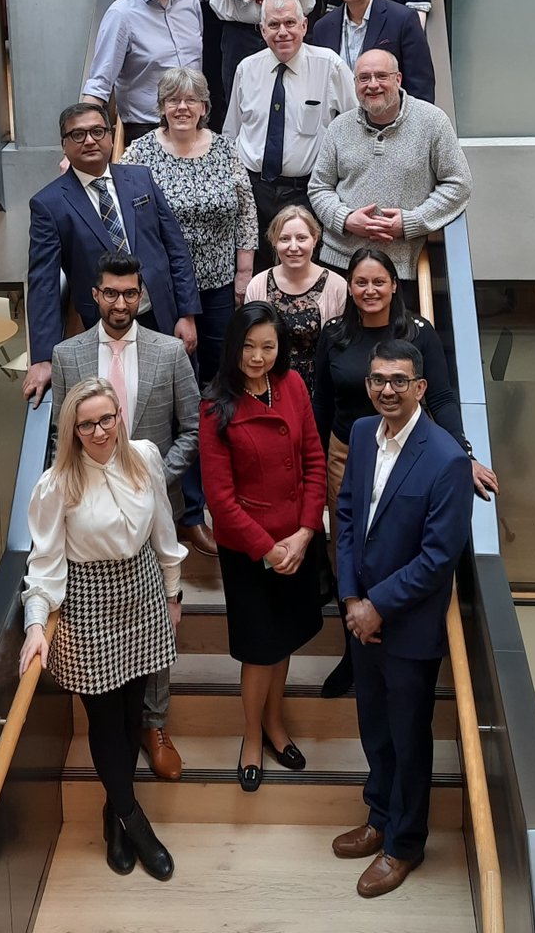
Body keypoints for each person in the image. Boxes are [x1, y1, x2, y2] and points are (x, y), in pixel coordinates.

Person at [19, 378, 187, 881]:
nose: (98, 431)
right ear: (72, 427)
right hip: (89, 602)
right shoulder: (56, 483)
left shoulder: (145, 456)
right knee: (104, 720)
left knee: (133, 713)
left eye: (105, 419)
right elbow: (45, 562)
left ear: (119, 415)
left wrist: (174, 592)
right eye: (86, 423)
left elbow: (163, 526)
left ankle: (113, 818)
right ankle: (134, 821)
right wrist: (35, 624)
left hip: (141, 590)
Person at [313, 247, 499, 697]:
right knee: (348, 551)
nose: (370, 290)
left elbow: (443, 399)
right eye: (361, 282)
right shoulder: (334, 334)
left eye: (379, 282)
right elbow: (321, 404)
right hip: (348, 451)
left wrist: (465, 453)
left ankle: (389, 633)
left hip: (408, 456)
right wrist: (314, 466)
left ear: (394, 285)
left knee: (397, 548)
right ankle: (353, 647)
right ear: (350, 287)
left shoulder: (419, 333)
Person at [51, 252, 203, 780]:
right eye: (110, 293)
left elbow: (192, 429)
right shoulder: (67, 355)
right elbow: (59, 439)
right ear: (94, 295)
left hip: (153, 509)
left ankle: (154, 724)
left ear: (142, 296)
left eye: (130, 294)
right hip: (89, 522)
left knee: (157, 627)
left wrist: (151, 477)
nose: (121, 303)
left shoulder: (169, 351)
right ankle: (118, 731)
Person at [332, 341, 473, 898]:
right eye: (377, 380)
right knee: (375, 729)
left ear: (419, 388)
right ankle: (379, 816)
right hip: (359, 617)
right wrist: (348, 598)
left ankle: (404, 845)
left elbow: (439, 557)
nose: (386, 390)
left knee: (410, 738)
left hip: (407, 626)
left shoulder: (446, 458)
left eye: (399, 381)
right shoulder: (364, 434)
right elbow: (345, 514)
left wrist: (376, 605)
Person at [121, 67, 257, 553]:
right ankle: (189, 507)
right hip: (163, 296)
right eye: (172, 100)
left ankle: (224, 496)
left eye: (191, 100)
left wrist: (245, 275)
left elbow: (245, 211)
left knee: (219, 390)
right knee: (176, 395)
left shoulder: (223, 149)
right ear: (160, 107)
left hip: (221, 288)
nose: (182, 107)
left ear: (204, 106)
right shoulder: (138, 154)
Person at [200, 303, 326, 792]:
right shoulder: (216, 404)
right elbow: (220, 499)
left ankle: (277, 723)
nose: (258, 356)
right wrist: (269, 549)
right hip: (252, 552)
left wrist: (306, 531)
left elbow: (314, 459)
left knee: (286, 639)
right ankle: (252, 736)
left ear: (281, 348)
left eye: (268, 347)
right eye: (249, 346)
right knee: (259, 649)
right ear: (234, 347)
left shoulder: (293, 387)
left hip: (297, 540)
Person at [23, 102, 200, 406]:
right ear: (64, 144)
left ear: (110, 135)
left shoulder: (140, 178)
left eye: (97, 131)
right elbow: (44, 284)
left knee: (176, 404)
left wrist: (186, 313)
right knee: (119, 405)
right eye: (77, 135)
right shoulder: (48, 205)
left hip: (162, 315)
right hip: (105, 326)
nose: (89, 140)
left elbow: (176, 248)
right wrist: (42, 357)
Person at [308, 49, 472, 284]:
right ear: (355, 84)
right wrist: (345, 219)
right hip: (339, 264)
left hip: (399, 268)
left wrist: (410, 222)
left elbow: (459, 184)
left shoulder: (433, 122)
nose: (372, 85)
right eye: (364, 78)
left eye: (381, 76)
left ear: (398, 79)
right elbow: (319, 187)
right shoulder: (339, 127)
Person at [223, 0, 355, 271]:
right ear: (262, 29)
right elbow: (232, 134)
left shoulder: (329, 65)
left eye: (290, 23)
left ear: (304, 25)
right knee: (256, 275)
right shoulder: (247, 69)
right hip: (253, 192)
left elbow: (356, 129)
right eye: (273, 24)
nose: (282, 32)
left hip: (305, 192)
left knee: (304, 274)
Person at [81, 0, 202, 144]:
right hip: (147, 133)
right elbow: (99, 84)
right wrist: (79, 139)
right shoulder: (121, 15)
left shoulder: (191, 4)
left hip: (194, 128)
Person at [312, 0, 435, 103]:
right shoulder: (323, 28)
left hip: (391, 123)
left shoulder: (403, 19)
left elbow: (420, 85)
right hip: (339, 123)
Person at [245, 205, 347, 398]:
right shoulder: (257, 284)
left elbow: (342, 347)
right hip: (268, 385)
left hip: (321, 388)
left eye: (301, 238)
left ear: (315, 239)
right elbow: (249, 344)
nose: (293, 247)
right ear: (274, 242)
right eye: (284, 239)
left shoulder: (336, 286)